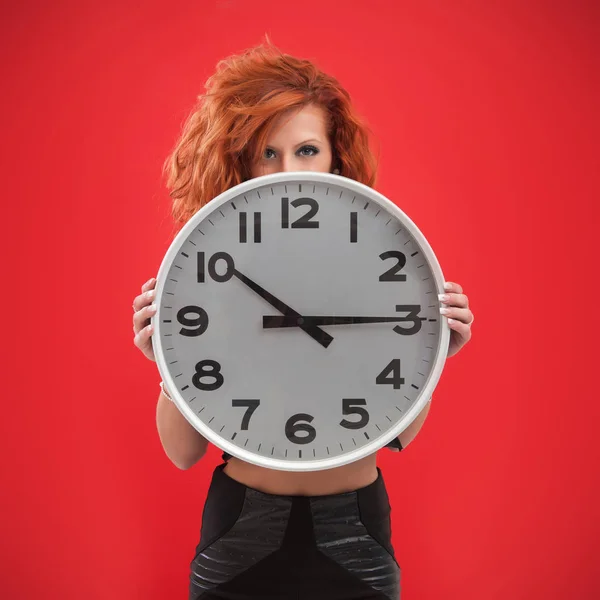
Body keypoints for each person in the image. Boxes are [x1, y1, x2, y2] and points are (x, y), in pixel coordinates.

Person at [132, 40, 475, 600]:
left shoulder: (382, 257)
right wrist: (169, 365)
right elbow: (183, 453)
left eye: (307, 149)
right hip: (241, 526)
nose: (289, 171)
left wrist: (430, 351)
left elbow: (398, 436)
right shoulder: (204, 267)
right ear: (238, 159)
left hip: (355, 527)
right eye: (268, 153)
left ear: (336, 158)